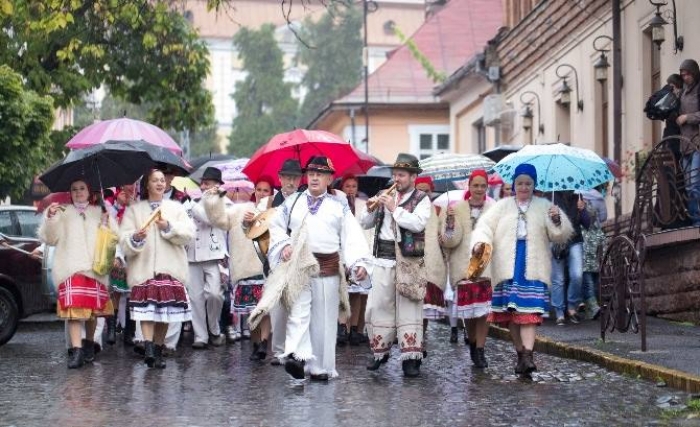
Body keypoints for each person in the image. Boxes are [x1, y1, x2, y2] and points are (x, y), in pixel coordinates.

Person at [267, 156, 370, 381]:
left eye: (320, 174)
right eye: (311, 173)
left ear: (329, 178)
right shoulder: (292, 201)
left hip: (328, 268)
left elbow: (351, 235)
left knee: (324, 319)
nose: (314, 177)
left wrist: (358, 263)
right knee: (298, 313)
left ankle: (320, 367)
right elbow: (275, 225)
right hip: (300, 267)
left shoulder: (339, 206)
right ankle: (296, 357)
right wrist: (284, 244)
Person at [472, 163, 573, 375]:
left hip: (533, 266)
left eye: (528, 183)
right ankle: (520, 354)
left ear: (534, 185)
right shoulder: (503, 206)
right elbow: (484, 226)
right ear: (514, 184)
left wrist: (557, 219)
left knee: (529, 312)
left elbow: (559, 235)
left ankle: (528, 356)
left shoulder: (545, 206)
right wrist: (481, 242)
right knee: (512, 315)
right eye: (520, 183)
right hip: (507, 264)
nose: (524, 187)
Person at [359, 153, 444, 378]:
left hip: (408, 261)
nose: (397, 179)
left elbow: (417, 224)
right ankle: (380, 353)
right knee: (377, 307)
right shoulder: (384, 195)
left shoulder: (422, 199)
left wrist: (394, 208)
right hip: (383, 258)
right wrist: (370, 208)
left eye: (402, 175)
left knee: (409, 307)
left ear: (414, 176)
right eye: (395, 174)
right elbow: (365, 224)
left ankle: (411, 359)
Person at [120, 169, 195, 369]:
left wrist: (168, 227)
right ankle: (149, 347)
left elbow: (188, 234)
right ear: (147, 184)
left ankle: (158, 348)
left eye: (162, 180)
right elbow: (124, 241)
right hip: (144, 268)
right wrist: (135, 238)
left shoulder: (176, 209)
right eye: (155, 180)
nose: (160, 183)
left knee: (165, 313)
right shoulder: (135, 210)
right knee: (146, 312)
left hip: (169, 267)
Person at [39, 179, 118, 368]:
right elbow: (50, 238)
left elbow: (113, 239)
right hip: (70, 268)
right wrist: (50, 218)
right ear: (70, 192)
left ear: (89, 191)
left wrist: (107, 225)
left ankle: (89, 343)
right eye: (74, 189)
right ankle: (76, 352)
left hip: (94, 269)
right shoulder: (63, 213)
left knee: (91, 314)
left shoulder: (99, 212)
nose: (78, 192)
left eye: (82, 188)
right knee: (73, 312)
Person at [202, 180, 269, 361]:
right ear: (254, 191)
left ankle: (264, 343)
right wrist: (214, 198)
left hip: (268, 268)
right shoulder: (240, 210)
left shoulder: (275, 210)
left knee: (264, 310)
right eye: (260, 189)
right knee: (252, 312)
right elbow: (218, 219)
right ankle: (256, 344)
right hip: (245, 268)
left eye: (266, 190)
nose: (262, 193)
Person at [439, 169, 495, 368]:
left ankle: (480, 348)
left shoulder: (493, 208)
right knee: (470, 312)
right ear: (469, 187)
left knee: (484, 312)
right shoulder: (457, 209)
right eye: (475, 185)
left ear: (486, 187)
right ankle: (472, 343)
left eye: (482, 185)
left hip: (486, 267)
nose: (479, 189)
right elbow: (449, 242)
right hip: (463, 267)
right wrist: (450, 223)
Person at [260, 159, 303, 364]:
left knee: (297, 306)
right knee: (277, 309)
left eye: (294, 177)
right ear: (280, 177)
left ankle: (294, 349)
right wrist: (246, 223)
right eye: (287, 177)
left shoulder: (305, 200)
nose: (291, 181)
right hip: (275, 260)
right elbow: (254, 232)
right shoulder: (266, 202)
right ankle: (278, 351)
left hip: (299, 258)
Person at [184, 167, 229, 349]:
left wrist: (193, 206)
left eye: (207, 183)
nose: (203, 186)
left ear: (217, 185)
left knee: (214, 295)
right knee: (195, 298)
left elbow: (211, 219)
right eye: (202, 183)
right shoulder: (192, 202)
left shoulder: (224, 202)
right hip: (192, 255)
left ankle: (214, 329)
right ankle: (200, 336)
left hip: (214, 255)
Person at [336, 174, 372, 346]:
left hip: (357, 253)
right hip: (341, 253)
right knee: (343, 292)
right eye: (347, 186)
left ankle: (356, 328)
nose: (350, 189)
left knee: (357, 293)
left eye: (354, 186)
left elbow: (365, 229)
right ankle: (343, 327)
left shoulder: (363, 205)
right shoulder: (337, 205)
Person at [549, 190, 590, 325]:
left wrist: (583, 210)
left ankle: (572, 306)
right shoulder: (551, 196)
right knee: (558, 279)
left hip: (575, 240)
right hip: (557, 241)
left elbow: (587, 223)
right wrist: (553, 217)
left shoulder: (577, 196)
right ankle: (559, 312)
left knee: (577, 275)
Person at [677, 59, 700, 226]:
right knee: (688, 186)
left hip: (697, 143)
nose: (685, 78)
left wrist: (688, 117)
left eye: (687, 74)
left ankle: (697, 220)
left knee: (694, 184)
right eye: (682, 75)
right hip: (684, 145)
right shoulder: (683, 93)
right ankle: (694, 220)